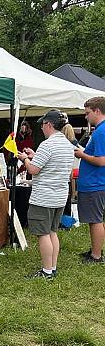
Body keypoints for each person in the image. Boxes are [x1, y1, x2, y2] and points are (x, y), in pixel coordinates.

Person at [17, 110, 74, 278]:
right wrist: (35, 156)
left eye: (42, 125)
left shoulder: (47, 144)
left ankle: (46, 271)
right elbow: (52, 164)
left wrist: (25, 159)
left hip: (44, 197)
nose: (41, 128)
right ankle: (52, 267)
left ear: (49, 124)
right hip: (59, 196)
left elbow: (34, 169)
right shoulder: (67, 144)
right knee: (52, 232)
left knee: (43, 234)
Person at [74, 96, 105, 263]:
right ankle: (95, 250)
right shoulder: (100, 130)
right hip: (95, 182)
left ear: (97, 111)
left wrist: (81, 155)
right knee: (94, 220)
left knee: (95, 221)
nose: (86, 117)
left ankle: (96, 255)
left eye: (88, 113)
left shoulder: (101, 131)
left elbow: (101, 160)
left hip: (95, 183)